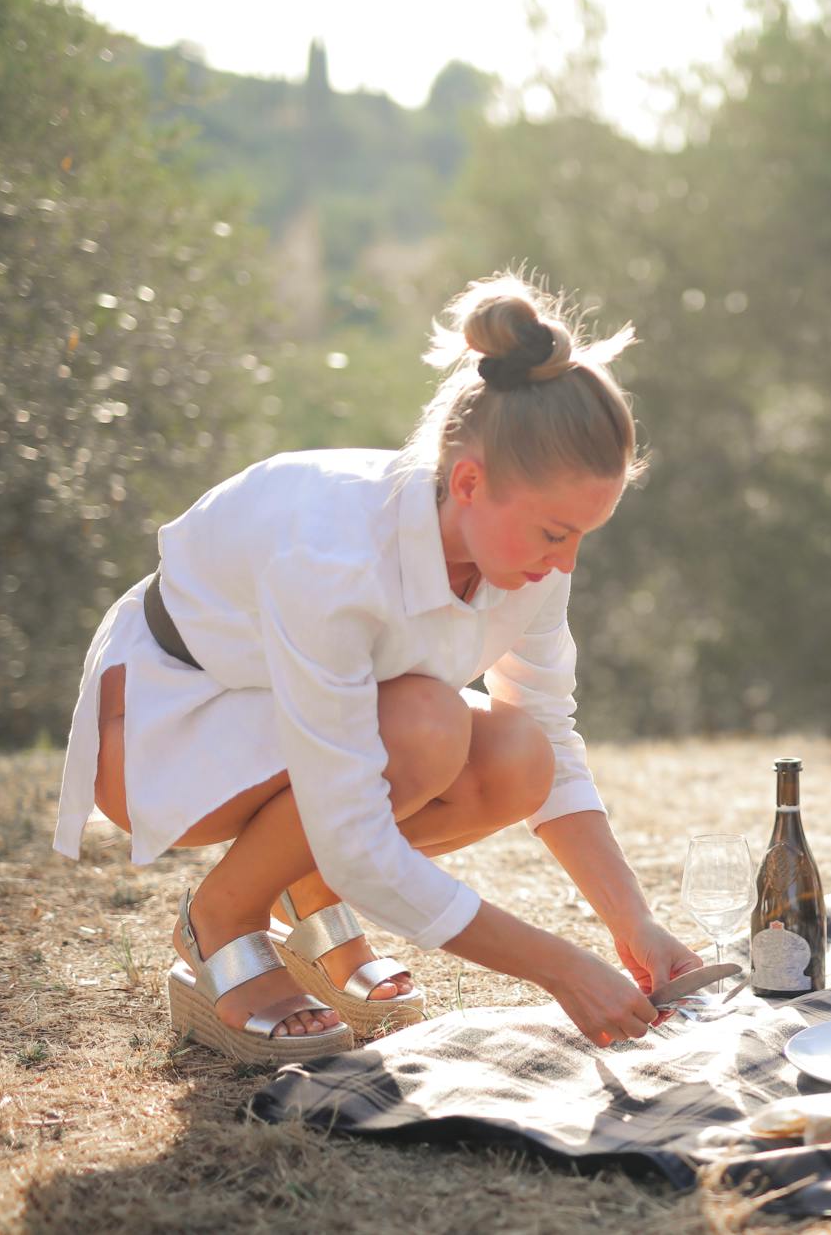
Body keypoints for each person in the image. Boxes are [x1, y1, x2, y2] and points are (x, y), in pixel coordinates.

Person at [54, 272, 701, 1063]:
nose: (564, 561)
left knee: (519, 753)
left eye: (581, 537)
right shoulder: (332, 553)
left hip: (302, 738)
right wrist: (560, 968)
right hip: (163, 734)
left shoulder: (533, 564)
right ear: (469, 482)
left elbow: (555, 742)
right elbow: (359, 831)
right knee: (427, 725)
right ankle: (220, 919)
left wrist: (631, 922)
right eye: (554, 532)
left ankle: (307, 889)